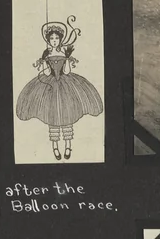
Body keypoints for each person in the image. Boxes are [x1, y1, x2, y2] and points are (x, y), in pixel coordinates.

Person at [15, 17, 105, 160]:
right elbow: (45, 73)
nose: (55, 40)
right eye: (52, 38)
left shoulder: (64, 53)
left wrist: (68, 58)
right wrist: (44, 60)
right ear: (48, 40)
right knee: (52, 116)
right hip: (49, 85)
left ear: (61, 39)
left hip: (65, 84)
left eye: (57, 38)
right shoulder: (47, 53)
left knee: (67, 113)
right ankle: (55, 148)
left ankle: (68, 146)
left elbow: (67, 71)